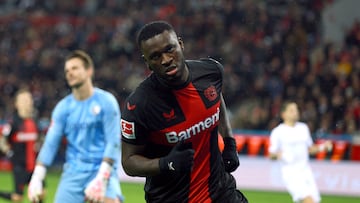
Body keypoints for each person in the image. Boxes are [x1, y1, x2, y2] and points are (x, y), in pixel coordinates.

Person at [121, 21, 248, 203]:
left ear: (180, 44)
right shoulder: (139, 105)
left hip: (221, 192)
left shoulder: (211, 72)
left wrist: (229, 142)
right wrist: (165, 164)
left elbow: (217, 100)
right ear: (147, 62)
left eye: (169, 49)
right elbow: (129, 162)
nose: (165, 60)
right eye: (155, 56)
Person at [27, 50, 124, 203]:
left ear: (89, 71)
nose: (70, 73)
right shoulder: (63, 108)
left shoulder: (107, 101)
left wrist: (102, 178)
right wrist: (37, 176)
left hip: (102, 170)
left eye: (75, 68)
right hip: (72, 175)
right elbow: (50, 145)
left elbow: (113, 142)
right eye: (67, 70)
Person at [268, 101, 333, 203]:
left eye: (296, 110)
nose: (296, 112)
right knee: (308, 200)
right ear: (283, 114)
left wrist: (323, 147)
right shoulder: (278, 132)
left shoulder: (303, 128)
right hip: (291, 173)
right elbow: (271, 155)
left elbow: (310, 149)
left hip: (306, 171)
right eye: (292, 110)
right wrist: (278, 155)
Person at [0, 89, 40, 202]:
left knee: (40, 193)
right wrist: (9, 152)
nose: (27, 102)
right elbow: (2, 140)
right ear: (17, 104)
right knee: (18, 197)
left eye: (28, 99)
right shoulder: (13, 122)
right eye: (23, 100)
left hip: (35, 165)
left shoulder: (34, 120)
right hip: (20, 166)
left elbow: (38, 139)